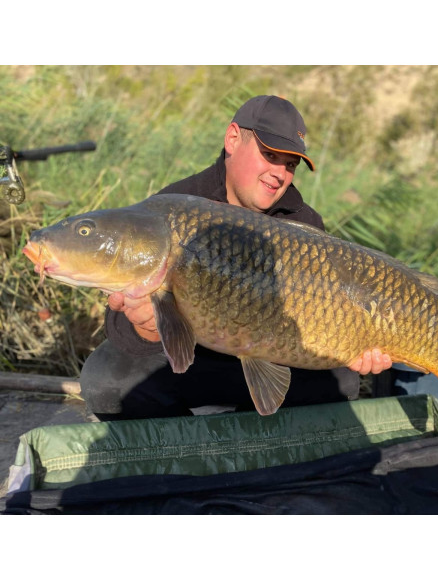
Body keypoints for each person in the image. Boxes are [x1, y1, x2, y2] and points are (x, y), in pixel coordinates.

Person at [80, 95, 392, 421]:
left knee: (342, 382)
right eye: (270, 155)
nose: (279, 174)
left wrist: (358, 345)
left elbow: (330, 315)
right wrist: (147, 328)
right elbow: (119, 327)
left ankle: (251, 439)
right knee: (106, 381)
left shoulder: (303, 223)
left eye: (290, 165)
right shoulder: (176, 208)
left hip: (272, 355)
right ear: (232, 139)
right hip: (193, 363)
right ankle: (186, 441)